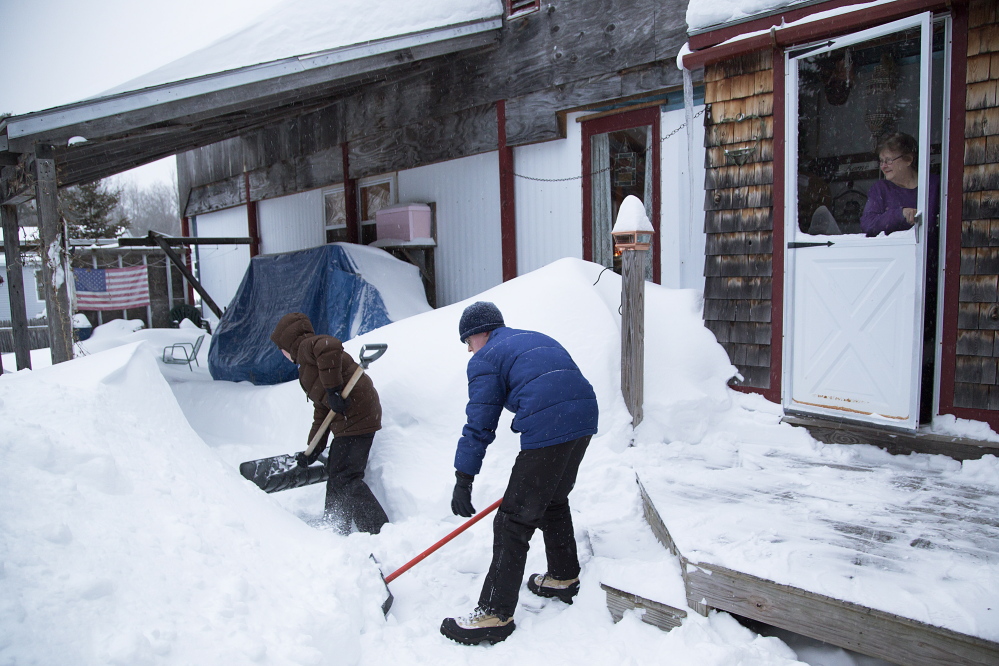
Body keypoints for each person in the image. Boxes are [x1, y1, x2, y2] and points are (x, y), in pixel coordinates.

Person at [440, 302, 599, 645]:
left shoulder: (485, 358)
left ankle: (494, 613)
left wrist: (463, 477)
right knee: (553, 500)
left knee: (513, 520)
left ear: (480, 333)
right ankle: (563, 577)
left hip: (549, 423)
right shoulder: (531, 337)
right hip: (585, 415)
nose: (468, 349)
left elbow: (479, 423)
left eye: (468, 340)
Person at [270, 312, 388, 535]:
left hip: (358, 417)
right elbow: (322, 409)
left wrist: (333, 389)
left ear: (288, 343)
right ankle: (335, 524)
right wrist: (313, 448)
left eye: (281, 348)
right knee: (335, 473)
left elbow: (330, 345)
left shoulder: (307, 347)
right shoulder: (307, 368)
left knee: (346, 476)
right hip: (348, 420)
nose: (282, 353)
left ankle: (378, 531)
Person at [860, 132, 940, 236]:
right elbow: (867, 224)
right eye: (881, 161)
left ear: (908, 159)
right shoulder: (881, 189)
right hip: (895, 251)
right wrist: (900, 214)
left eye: (888, 161)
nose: (883, 166)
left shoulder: (934, 185)